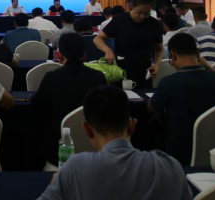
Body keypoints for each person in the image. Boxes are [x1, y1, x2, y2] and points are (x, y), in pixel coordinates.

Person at [38, 86, 192, 201]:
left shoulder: (74, 170)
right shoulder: (170, 168)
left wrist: (57, 184)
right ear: (132, 126)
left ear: (87, 130)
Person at [148, 34, 215, 165]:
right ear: (198, 55)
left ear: (173, 55)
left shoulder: (169, 82)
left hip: (180, 152)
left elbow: (152, 108)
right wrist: (208, 67)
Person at [32, 33, 108, 169]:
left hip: (57, 154)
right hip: (95, 150)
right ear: (84, 55)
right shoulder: (98, 77)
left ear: (60, 56)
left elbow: (37, 109)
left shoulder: (51, 78)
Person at [94, 0, 163, 89]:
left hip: (144, 73)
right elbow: (98, 38)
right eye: (139, 12)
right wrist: (108, 50)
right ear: (133, 6)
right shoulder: (120, 20)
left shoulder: (154, 24)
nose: (142, 16)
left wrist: (156, 64)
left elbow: (159, 49)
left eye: (147, 13)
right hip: (120, 72)